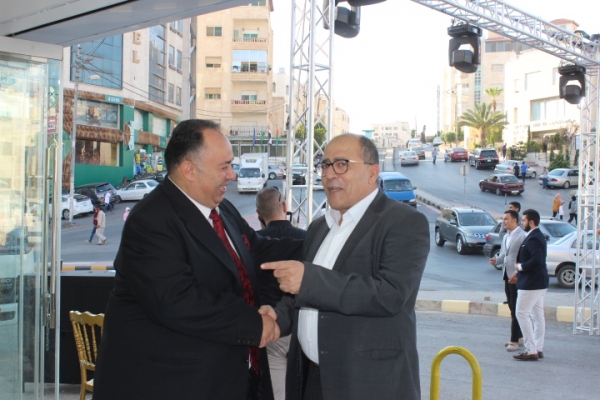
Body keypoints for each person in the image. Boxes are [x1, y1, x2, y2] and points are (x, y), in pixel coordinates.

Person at [93, 120, 302, 400]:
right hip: (170, 385)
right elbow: (178, 300)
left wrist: (321, 244)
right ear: (189, 169)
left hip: (230, 378)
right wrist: (255, 324)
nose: (232, 175)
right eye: (224, 167)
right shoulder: (151, 220)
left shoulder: (222, 209)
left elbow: (257, 250)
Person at [260, 133, 430, 400]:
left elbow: (390, 294)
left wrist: (308, 280)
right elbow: (304, 295)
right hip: (311, 381)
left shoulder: (404, 222)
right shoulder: (319, 227)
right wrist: (279, 318)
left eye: (341, 164)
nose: (329, 174)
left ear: (372, 173)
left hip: (368, 385)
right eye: (325, 165)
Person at [255, 186, 306, 400]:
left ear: (259, 214)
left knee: (276, 392)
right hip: (300, 328)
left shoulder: (254, 242)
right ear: (285, 207)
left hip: (270, 328)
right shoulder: (307, 238)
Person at [513, 209, 549, 361]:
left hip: (531, 283)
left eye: (524, 220)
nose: (522, 223)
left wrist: (520, 267)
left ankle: (531, 350)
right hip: (538, 282)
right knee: (537, 316)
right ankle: (538, 348)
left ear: (531, 222)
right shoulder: (536, 236)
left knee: (521, 313)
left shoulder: (534, 238)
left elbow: (536, 259)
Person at [489, 210, 526, 352]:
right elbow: (504, 254)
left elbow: (523, 257)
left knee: (516, 308)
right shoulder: (506, 236)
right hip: (506, 275)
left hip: (516, 276)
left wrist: (517, 273)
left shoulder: (522, 236)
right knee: (511, 306)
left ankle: (514, 341)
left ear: (514, 220)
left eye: (506, 219)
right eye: (503, 219)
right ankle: (520, 336)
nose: (503, 222)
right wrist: (496, 260)